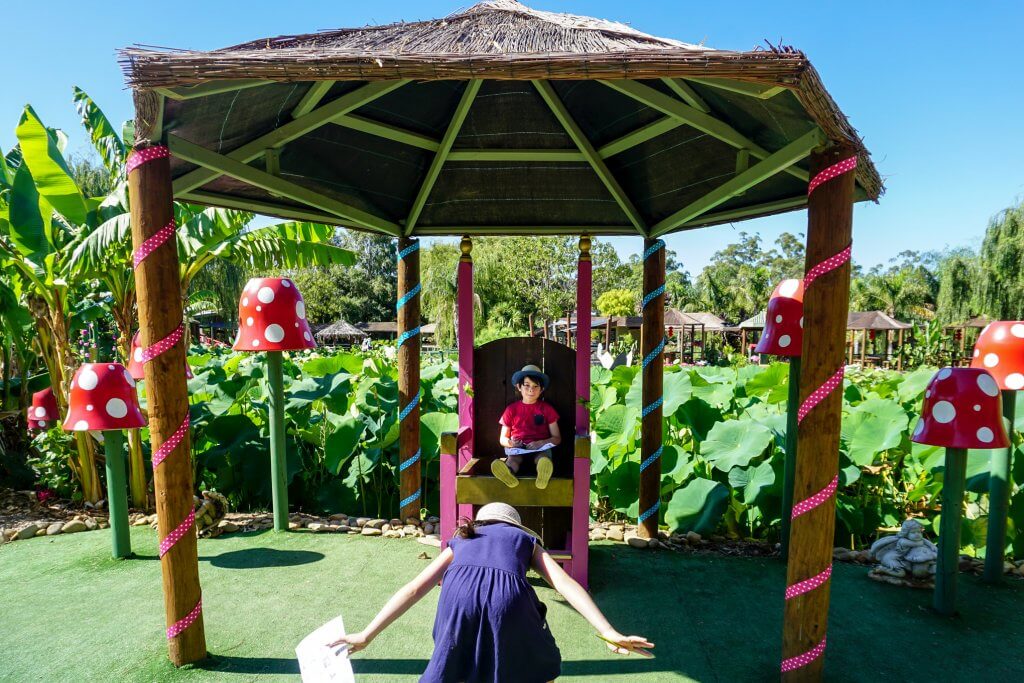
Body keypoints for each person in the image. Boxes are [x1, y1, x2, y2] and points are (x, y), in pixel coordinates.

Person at [329, 503, 653, 682]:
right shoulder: (524, 541)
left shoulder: (461, 541)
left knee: (452, 657)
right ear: (513, 527)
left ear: (480, 524)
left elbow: (415, 588)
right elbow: (564, 583)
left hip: (457, 599)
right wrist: (608, 630)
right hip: (508, 600)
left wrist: (367, 634)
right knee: (541, 659)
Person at [492, 364, 560, 489]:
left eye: (535, 386)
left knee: (543, 459)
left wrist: (541, 443)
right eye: (527, 385)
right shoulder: (511, 410)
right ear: (519, 387)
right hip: (518, 449)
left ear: (542, 389)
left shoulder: (547, 409)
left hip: (540, 448)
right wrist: (512, 443)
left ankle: (542, 476)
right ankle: (509, 475)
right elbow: (502, 439)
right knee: (513, 459)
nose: (531, 390)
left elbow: (556, 438)